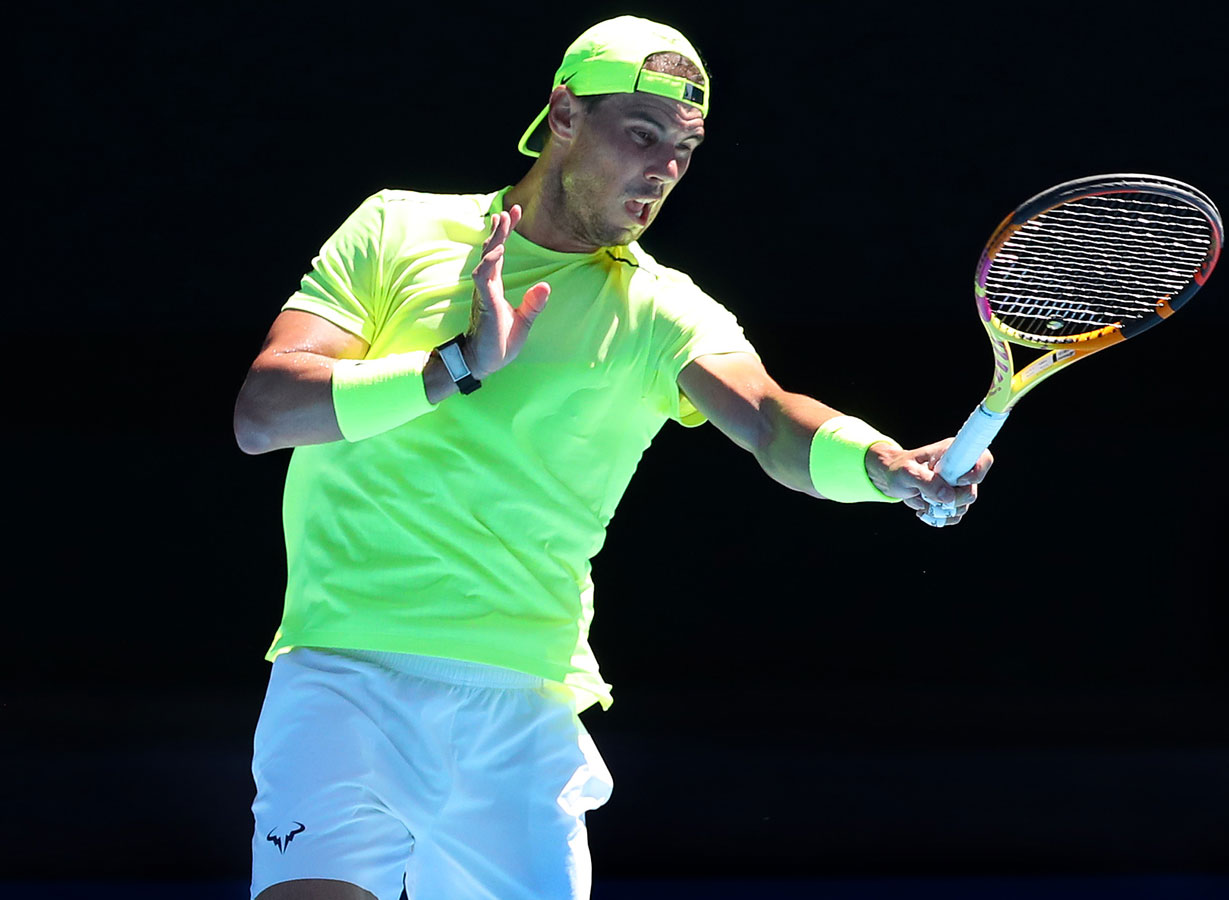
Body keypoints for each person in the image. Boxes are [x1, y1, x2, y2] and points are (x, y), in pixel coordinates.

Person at [232, 15, 991, 900]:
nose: (665, 167)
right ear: (562, 116)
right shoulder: (398, 230)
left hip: (520, 708)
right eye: (642, 134)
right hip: (340, 679)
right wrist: (453, 368)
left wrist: (880, 464)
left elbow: (772, 421)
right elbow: (264, 412)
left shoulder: (664, 311)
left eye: (685, 149)